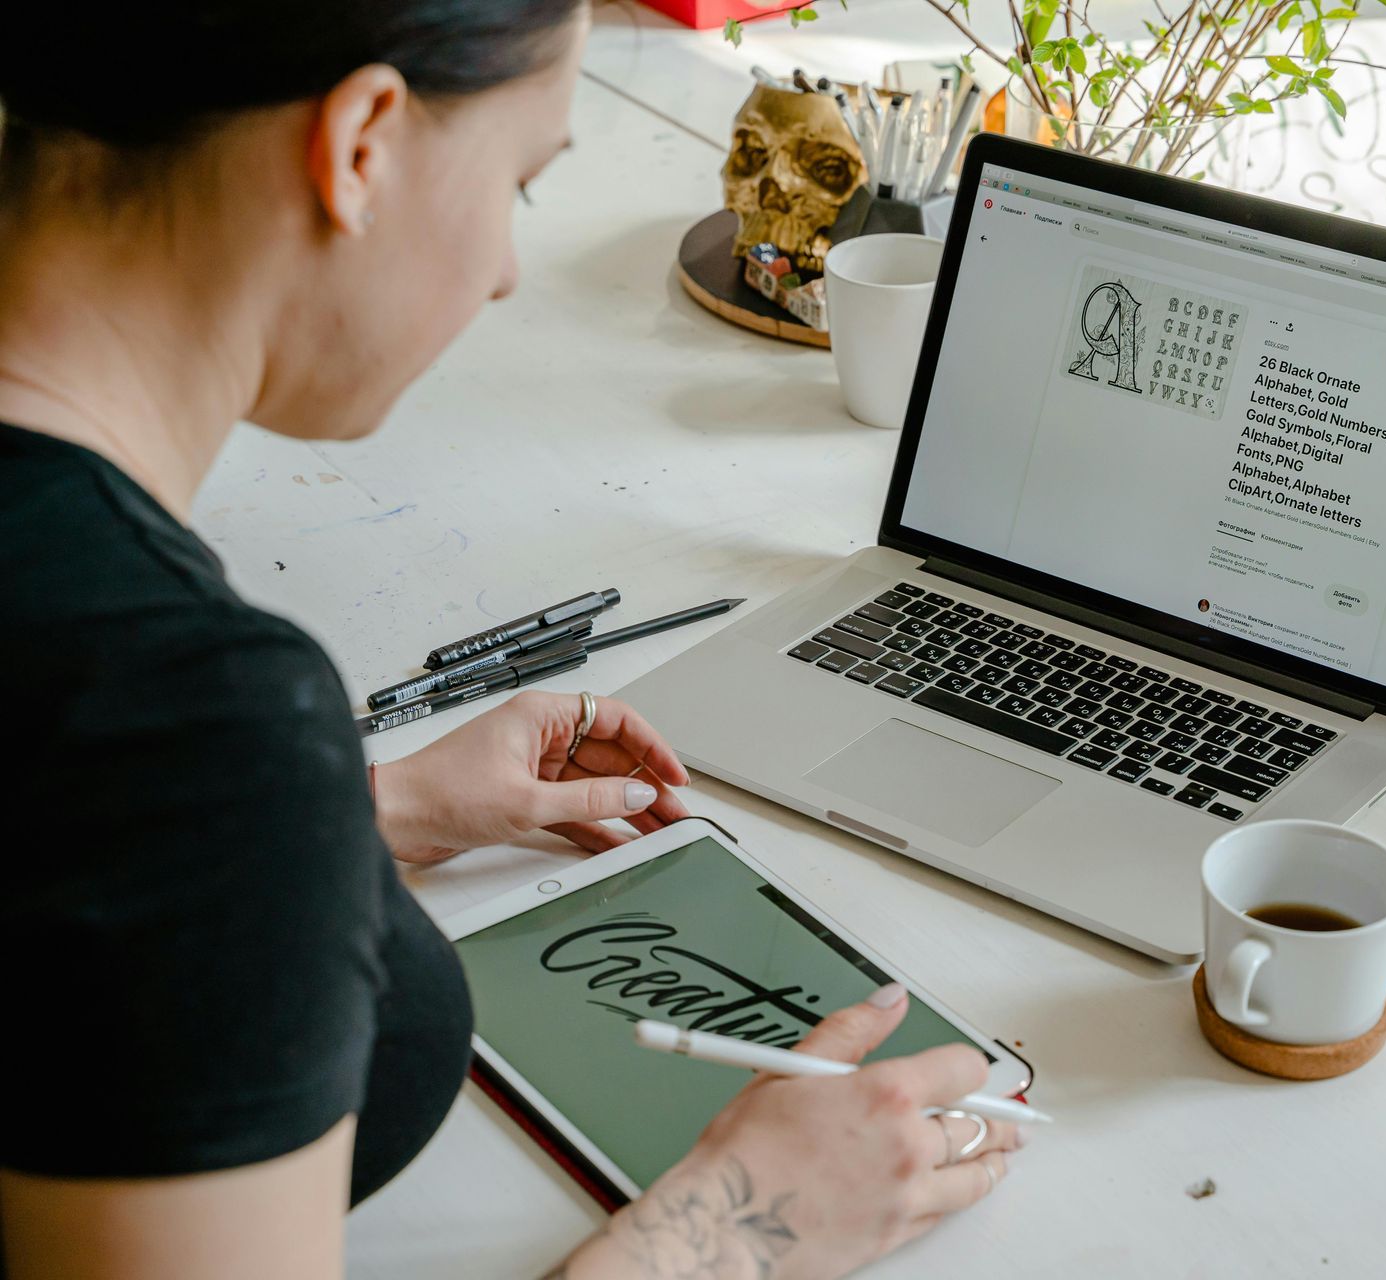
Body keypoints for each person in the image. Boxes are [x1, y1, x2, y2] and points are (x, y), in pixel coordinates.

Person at [0, 5, 1018, 1277]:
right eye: (522, 183)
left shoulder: (132, 723)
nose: (502, 274)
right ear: (362, 142)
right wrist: (740, 1222)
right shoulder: (180, 718)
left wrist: (359, 808)